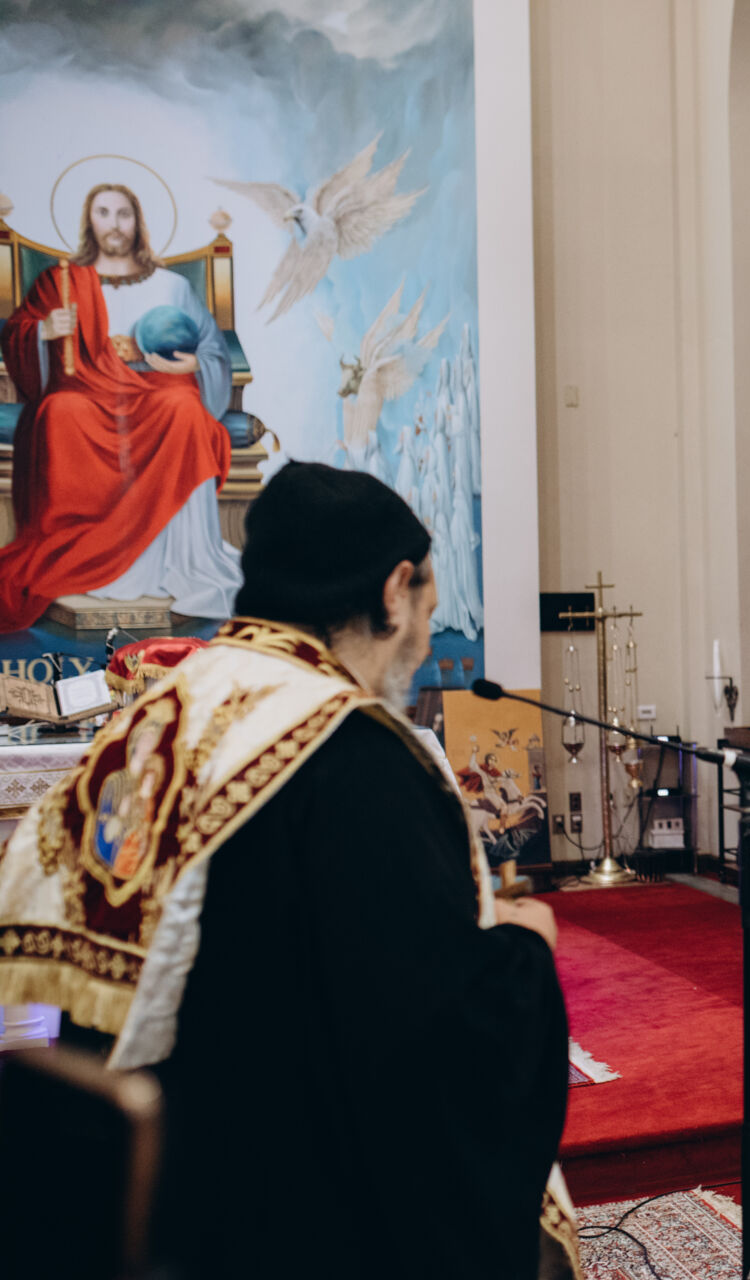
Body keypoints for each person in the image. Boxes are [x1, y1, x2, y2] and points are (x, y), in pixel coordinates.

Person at [0, 462, 576, 1279]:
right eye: (426, 614)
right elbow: (431, 1038)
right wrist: (526, 953)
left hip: (126, 1184)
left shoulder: (160, 713)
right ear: (394, 591)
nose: (421, 645)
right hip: (282, 1207)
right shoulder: (354, 755)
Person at [0, 182, 242, 631]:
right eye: (104, 213)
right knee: (60, 412)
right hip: (86, 390)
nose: (114, 224)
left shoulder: (172, 286)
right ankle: (79, 551)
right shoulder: (62, 282)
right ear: (89, 222)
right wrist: (45, 330)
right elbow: (18, 334)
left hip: (157, 387)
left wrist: (191, 363)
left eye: (124, 214)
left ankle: (180, 564)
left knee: (185, 410)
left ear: (138, 223)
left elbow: (212, 350)